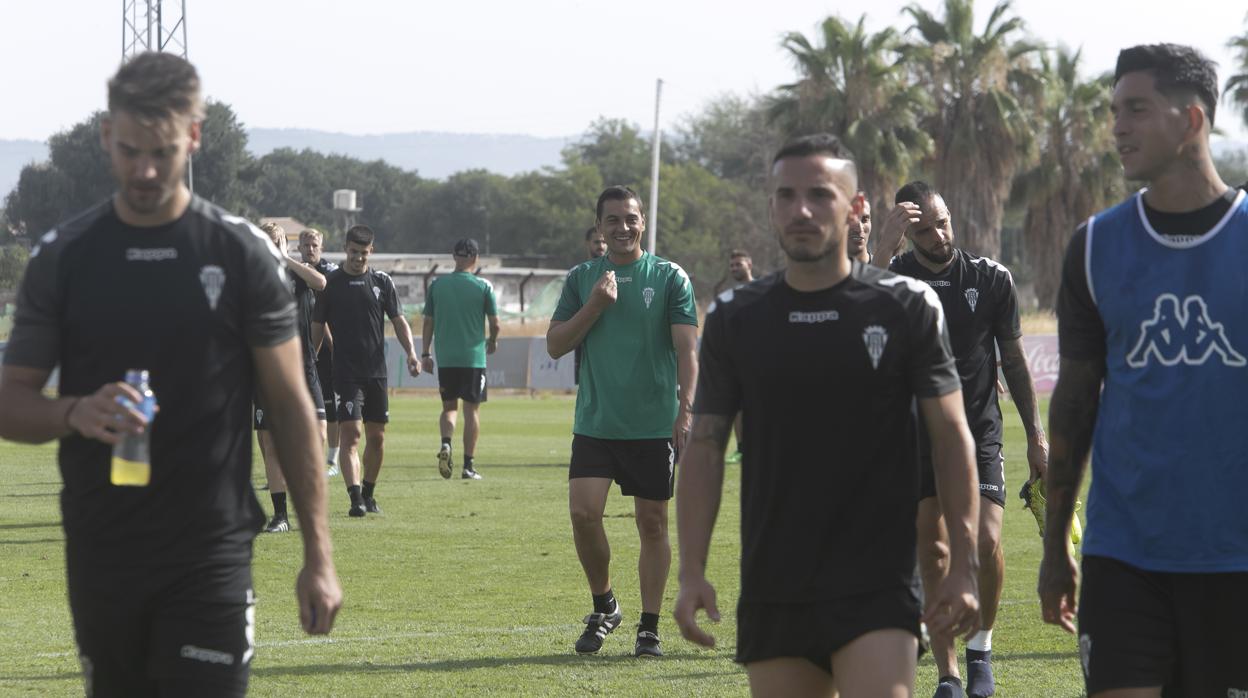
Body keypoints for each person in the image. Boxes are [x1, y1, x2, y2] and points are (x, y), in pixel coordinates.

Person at [0, 52, 341, 697]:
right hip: (103, 550)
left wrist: (318, 555)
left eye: (161, 151)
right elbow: (9, 402)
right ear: (107, 136)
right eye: (129, 151)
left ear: (193, 135)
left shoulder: (239, 253)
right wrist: (72, 412)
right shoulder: (65, 257)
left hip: (209, 552)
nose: (146, 170)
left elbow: (292, 406)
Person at [674, 133, 981, 697]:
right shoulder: (735, 317)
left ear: (856, 206)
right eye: (786, 196)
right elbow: (706, 444)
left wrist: (963, 563)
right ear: (770, 206)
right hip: (775, 580)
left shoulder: (907, 306)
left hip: (878, 580)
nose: (802, 210)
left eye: (819, 193)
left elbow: (951, 434)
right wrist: (690, 568)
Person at [1038, 44, 1248, 697]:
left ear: (1190, 122)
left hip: (1236, 557)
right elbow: (1073, 406)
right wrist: (1054, 548)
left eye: (1136, 110)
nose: (1118, 127)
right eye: (1114, 111)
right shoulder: (1095, 246)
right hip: (1124, 554)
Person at [870, 181, 1047, 698]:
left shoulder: (990, 279)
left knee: (988, 541)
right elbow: (855, 309)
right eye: (923, 230)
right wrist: (882, 248)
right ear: (906, 232)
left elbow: (1012, 360)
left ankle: (980, 650)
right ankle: (948, 671)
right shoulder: (895, 278)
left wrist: (1037, 436)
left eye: (942, 222)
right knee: (935, 549)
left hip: (978, 432)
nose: (938, 235)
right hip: (916, 433)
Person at [547, 185, 698, 657]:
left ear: (643, 221)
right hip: (596, 421)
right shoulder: (582, 279)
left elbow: (687, 348)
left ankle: (648, 627)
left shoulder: (670, 276)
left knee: (652, 524)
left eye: (630, 218)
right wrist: (595, 305)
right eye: (613, 220)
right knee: (583, 513)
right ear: (599, 228)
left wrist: (686, 407)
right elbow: (555, 345)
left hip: (653, 425)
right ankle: (605, 605)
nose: (623, 227)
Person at [311, 224, 421, 517]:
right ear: (346, 248)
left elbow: (398, 321)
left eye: (364, 253)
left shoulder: (382, 282)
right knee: (351, 434)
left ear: (371, 251)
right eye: (354, 252)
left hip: (377, 372)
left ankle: (369, 494)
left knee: (377, 438)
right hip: (345, 373)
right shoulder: (330, 284)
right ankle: (355, 497)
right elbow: (318, 327)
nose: (359, 258)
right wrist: (311, 358)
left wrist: (411, 353)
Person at [254, 222, 327, 532]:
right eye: (268, 241)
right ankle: (280, 515)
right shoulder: (252, 274)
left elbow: (321, 283)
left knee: (319, 435)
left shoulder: (297, 273)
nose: (273, 246)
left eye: (278, 241)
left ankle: (310, 506)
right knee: (269, 443)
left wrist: (286, 259)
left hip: (303, 365)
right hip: (267, 368)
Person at [421, 238, 499, 480]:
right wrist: (493, 341)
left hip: (446, 358)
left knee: (449, 408)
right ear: (475, 259)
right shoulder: (483, 286)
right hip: (473, 358)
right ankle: (468, 465)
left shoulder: (437, 285)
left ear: (454, 257)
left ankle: (446, 443)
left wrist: (425, 353)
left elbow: (428, 322)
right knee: (471, 411)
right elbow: (495, 323)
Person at [300, 227, 342, 477]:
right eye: (306, 245)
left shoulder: (332, 275)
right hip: (301, 349)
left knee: (328, 406)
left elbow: (326, 315)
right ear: (299, 248)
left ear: (321, 248)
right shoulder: (294, 272)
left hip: (326, 352)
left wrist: (334, 345)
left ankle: (332, 460)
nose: (310, 249)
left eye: (314, 245)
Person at [722, 249, 754, 465]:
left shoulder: (761, 290)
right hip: (738, 359)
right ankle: (742, 449)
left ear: (749, 264)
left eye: (738, 264)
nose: (735, 268)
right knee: (738, 407)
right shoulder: (730, 296)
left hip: (759, 359)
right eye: (732, 265)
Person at [575, 226, 608, 385]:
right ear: (587, 243)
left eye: (603, 242)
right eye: (596, 242)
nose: (601, 246)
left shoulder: (612, 273)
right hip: (584, 341)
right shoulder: (577, 274)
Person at [847, 193, 873, 263]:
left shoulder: (889, 269)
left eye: (865, 219)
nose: (859, 228)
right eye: (852, 219)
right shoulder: (820, 272)